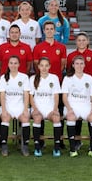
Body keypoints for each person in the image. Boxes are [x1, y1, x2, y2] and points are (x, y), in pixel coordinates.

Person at [66, 32, 92, 151]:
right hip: (76, 91)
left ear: (87, 41)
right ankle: (77, 141)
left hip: (90, 90)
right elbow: (68, 70)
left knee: (91, 114)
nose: (81, 42)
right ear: (76, 42)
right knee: (76, 117)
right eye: (79, 40)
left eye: (83, 40)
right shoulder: (71, 55)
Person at [33, 21, 67, 149]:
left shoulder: (61, 47)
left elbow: (63, 64)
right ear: (44, 31)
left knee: (58, 111)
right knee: (39, 112)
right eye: (46, 29)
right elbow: (37, 65)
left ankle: (60, 140)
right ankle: (40, 141)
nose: (49, 31)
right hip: (42, 84)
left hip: (56, 84)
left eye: (51, 29)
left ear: (55, 31)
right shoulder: (38, 47)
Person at [62, 55, 92, 158]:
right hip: (72, 106)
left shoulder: (89, 78)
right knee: (71, 117)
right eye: (77, 64)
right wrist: (69, 109)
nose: (79, 66)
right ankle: (72, 149)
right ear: (73, 65)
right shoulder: (68, 78)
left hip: (85, 106)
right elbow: (64, 97)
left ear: (84, 65)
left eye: (81, 63)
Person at [0, 56, 31, 156]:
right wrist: (3, 109)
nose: (13, 65)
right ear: (8, 65)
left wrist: (25, 109)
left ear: (19, 65)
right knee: (5, 117)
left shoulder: (24, 77)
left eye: (15, 63)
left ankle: (25, 146)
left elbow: (26, 94)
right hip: (7, 106)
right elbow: (2, 95)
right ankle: (4, 145)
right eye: (11, 63)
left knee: (25, 118)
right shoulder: (3, 77)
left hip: (20, 106)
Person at [29, 57, 62, 157]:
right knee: (37, 118)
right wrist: (35, 109)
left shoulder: (54, 78)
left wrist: (55, 110)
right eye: (42, 65)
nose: (44, 68)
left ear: (49, 67)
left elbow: (56, 95)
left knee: (56, 118)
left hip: (50, 108)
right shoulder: (33, 78)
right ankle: (37, 146)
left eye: (46, 65)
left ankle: (56, 147)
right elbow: (31, 96)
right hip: (37, 107)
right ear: (38, 66)